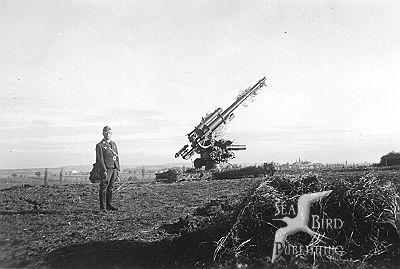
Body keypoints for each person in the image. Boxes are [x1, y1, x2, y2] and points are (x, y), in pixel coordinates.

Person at [96, 126, 120, 211]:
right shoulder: (100, 145)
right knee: (103, 187)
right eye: (106, 133)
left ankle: (109, 204)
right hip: (106, 169)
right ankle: (102, 207)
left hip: (114, 169)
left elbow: (116, 157)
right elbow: (100, 159)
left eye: (109, 133)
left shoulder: (113, 144)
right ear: (103, 134)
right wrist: (104, 171)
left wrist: (118, 169)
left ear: (111, 134)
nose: (108, 134)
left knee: (111, 187)